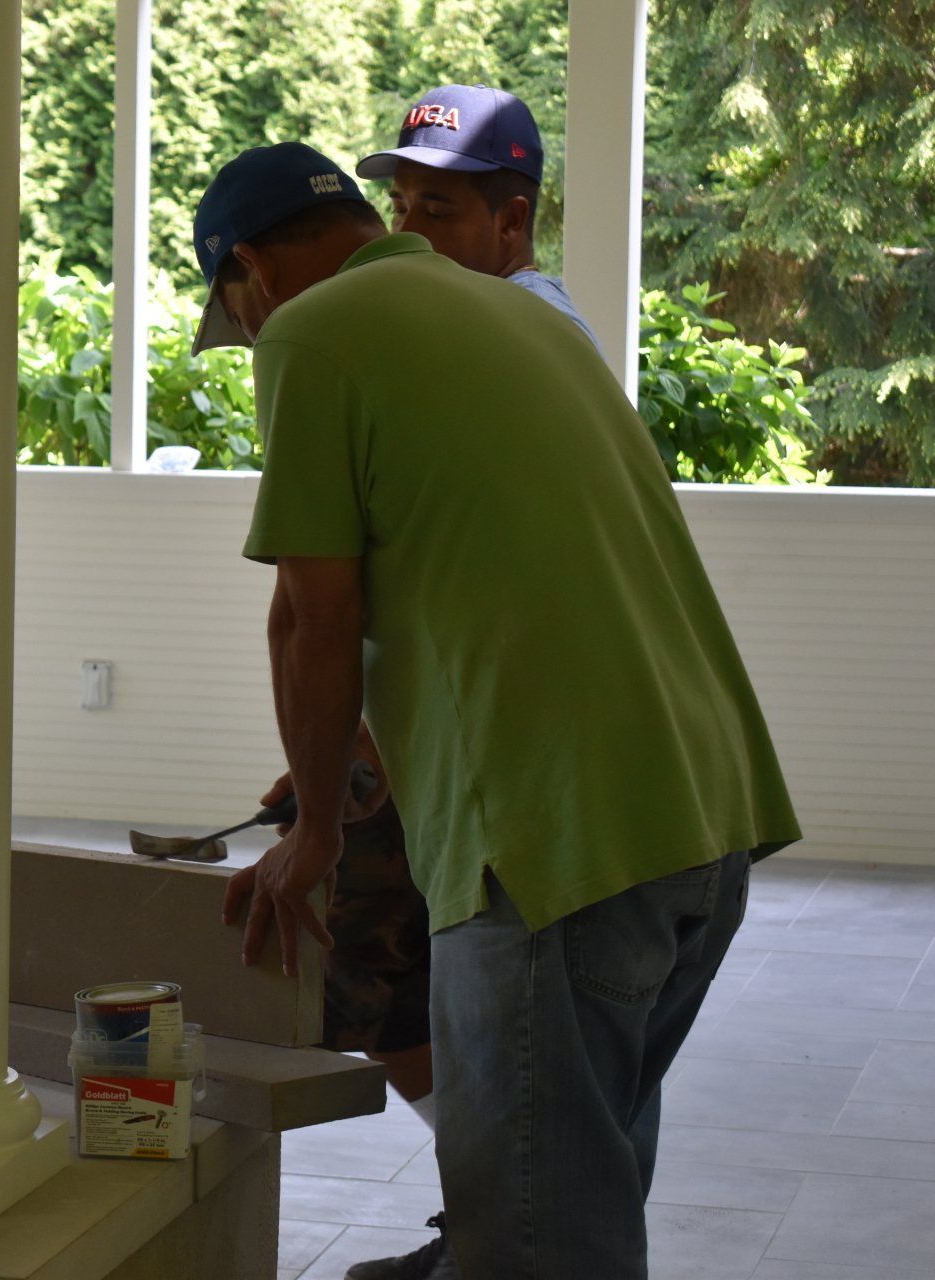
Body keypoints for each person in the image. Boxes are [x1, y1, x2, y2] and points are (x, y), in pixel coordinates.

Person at [193, 141, 800, 1278]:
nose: (248, 333)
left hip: (553, 845)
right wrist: (364, 749)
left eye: (233, 311)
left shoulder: (309, 334)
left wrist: (319, 832)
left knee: (535, 1241)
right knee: (578, 1184)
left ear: (253, 273)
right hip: (698, 821)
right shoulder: (520, 317)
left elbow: (312, 613)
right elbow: (497, 566)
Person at [359, 83, 601, 354]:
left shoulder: (529, 325)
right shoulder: (473, 314)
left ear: (511, 220)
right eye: (399, 209)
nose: (407, 233)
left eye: (436, 214)